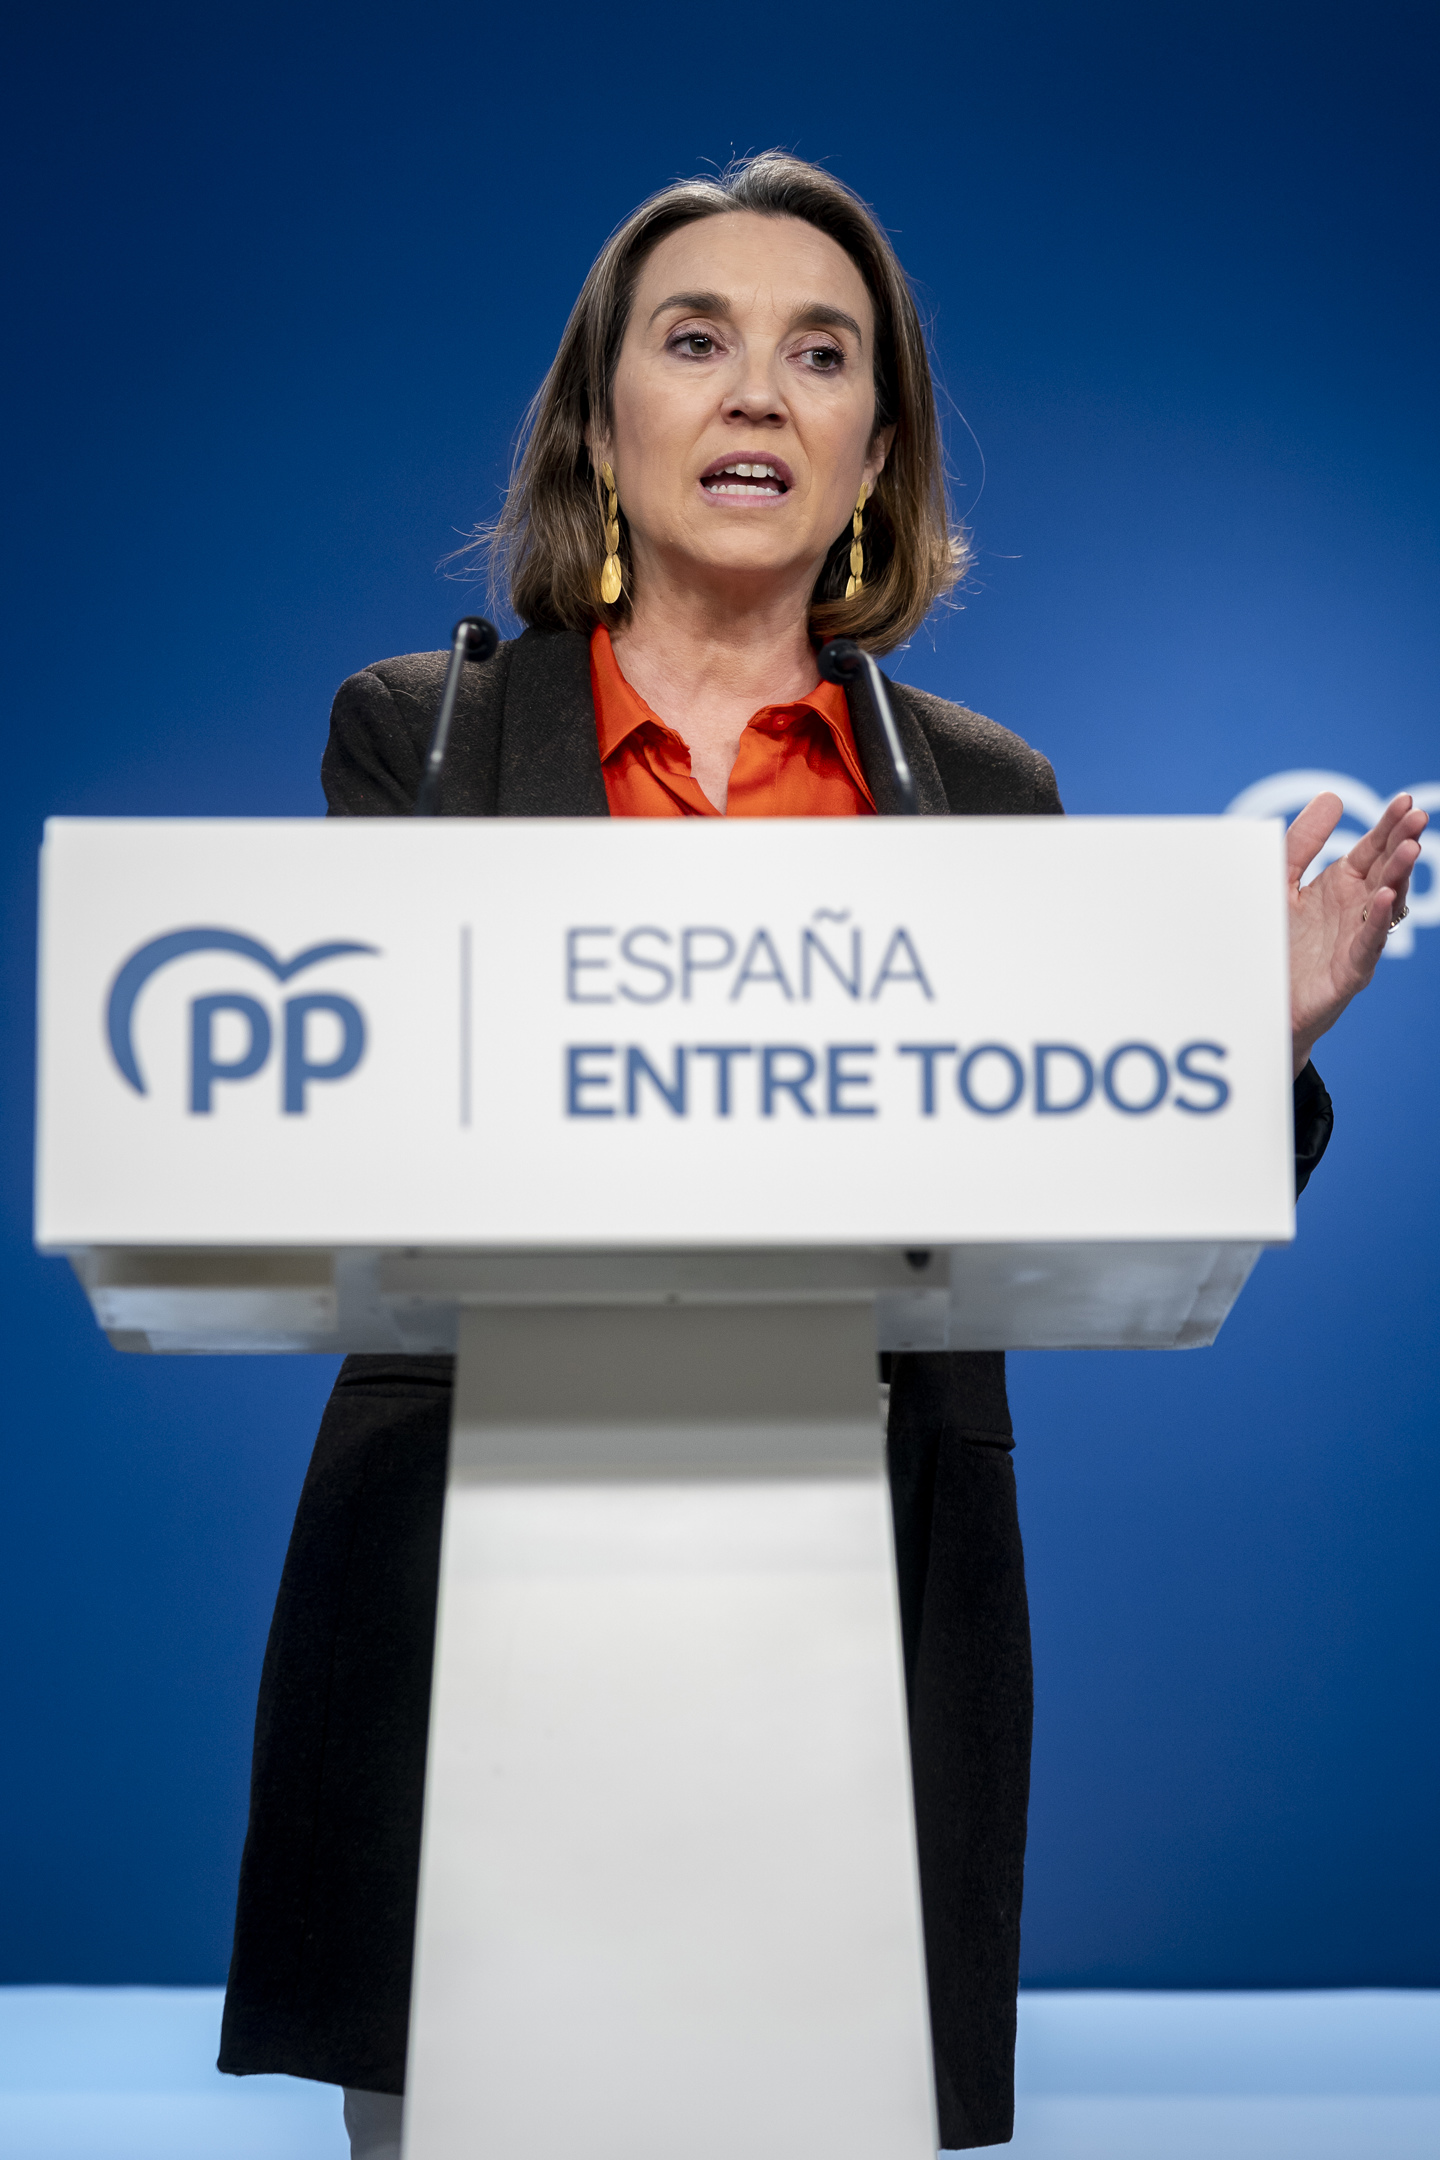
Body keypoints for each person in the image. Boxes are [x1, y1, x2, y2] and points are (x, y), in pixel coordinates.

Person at [217, 153, 1427, 2156]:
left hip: (863, 1565)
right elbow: (388, 1138)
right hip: (482, 1541)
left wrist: (1238, 1047)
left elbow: (1067, 1191)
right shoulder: (426, 740)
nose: (758, 391)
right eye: (696, 340)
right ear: (603, 424)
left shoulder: (984, 795)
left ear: (877, 453)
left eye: (821, 353)